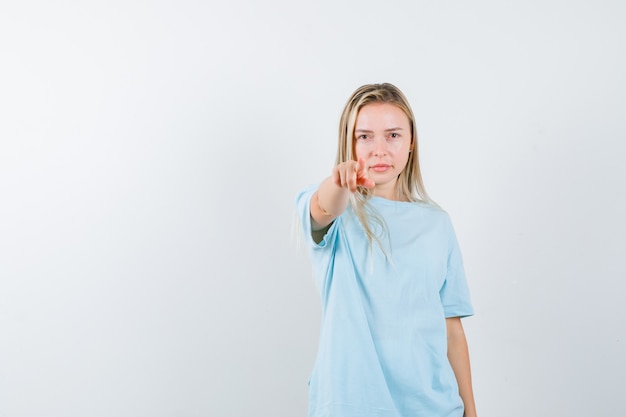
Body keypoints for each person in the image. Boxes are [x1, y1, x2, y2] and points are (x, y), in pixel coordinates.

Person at [295, 83, 477, 417]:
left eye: (392, 135)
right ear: (348, 143)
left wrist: (471, 411)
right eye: (364, 136)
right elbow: (323, 208)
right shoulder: (338, 215)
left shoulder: (437, 224)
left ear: (411, 144)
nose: (379, 149)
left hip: (433, 407)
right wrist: (339, 182)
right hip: (351, 406)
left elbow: (451, 327)